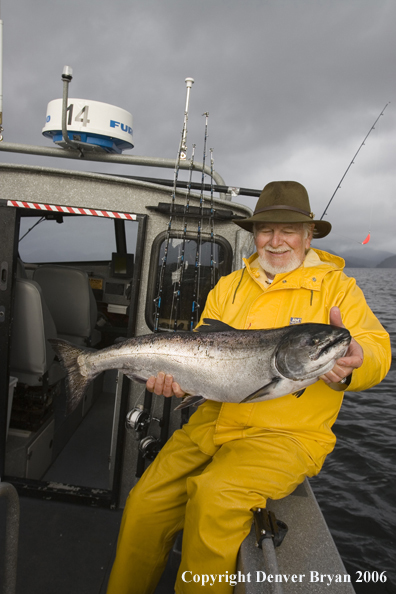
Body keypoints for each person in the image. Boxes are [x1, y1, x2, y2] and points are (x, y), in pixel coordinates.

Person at [106, 181, 391, 594]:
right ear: (254, 235)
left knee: (213, 502)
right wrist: (178, 386)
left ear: (308, 235)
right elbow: (200, 357)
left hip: (285, 437)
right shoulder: (229, 286)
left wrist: (354, 365)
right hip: (211, 423)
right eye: (265, 230)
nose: (275, 242)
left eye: (288, 230)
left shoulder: (339, 289)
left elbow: (379, 350)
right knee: (143, 504)